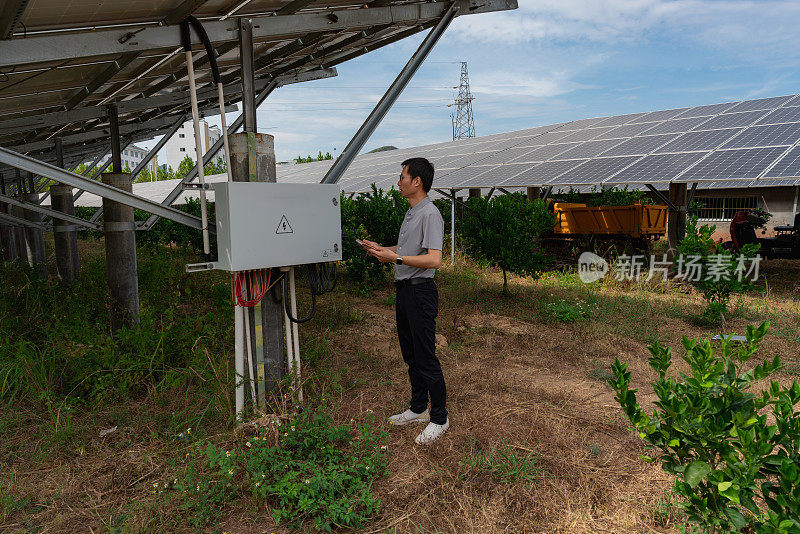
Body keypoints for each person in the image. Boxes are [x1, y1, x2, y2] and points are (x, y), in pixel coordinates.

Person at [360, 157, 449, 445]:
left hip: (421, 291)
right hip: (405, 290)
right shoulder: (412, 212)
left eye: (402, 177)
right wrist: (382, 249)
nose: (398, 182)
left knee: (425, 356)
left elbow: (434, 259)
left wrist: (395, 257)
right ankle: (418, 408)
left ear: (417, 182)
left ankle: (439, 418)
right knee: (410, 355)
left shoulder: (430, 214)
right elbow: (407, 249)